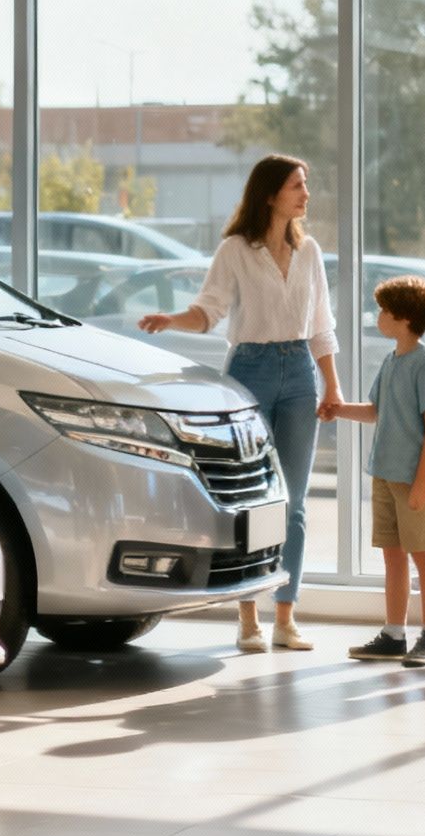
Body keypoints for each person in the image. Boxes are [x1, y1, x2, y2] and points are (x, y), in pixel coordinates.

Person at [142, 155, 340, 653]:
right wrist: (172, 320)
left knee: (293, 502)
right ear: (270, 195)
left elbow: (321, 325)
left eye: (305, 185)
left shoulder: (310, 251)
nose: (306, 194)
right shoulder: (235, 249)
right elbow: (208, 312)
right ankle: (248, 617)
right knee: (252, 498)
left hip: (299, 373)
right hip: (250, 372)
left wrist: (332, 386)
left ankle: (286, 617)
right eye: (297, 186)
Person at [331, 276, 425, 667]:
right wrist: (338, 410)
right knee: (393, 556)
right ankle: (394, 634)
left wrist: (422, 481)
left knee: (423, 555)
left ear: (404, 318)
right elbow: (375, 411)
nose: (378, 316)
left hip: (411, 480)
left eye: (384, 311)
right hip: (383, 474)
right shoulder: (391, 360)